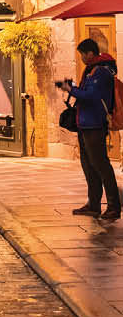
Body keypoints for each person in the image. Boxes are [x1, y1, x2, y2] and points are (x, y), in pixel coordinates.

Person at [64, 38, 121, 222]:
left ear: (90, 53)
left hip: (95, 125)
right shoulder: (91, 70)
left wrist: (70, 89)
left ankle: (113, 206)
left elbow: (91, 96)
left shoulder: (101, 71)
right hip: (85, 124)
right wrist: (74, 88)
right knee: (89, 166)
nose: (81, 58)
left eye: (82, 54)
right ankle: (93, 204)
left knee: (101, 165)